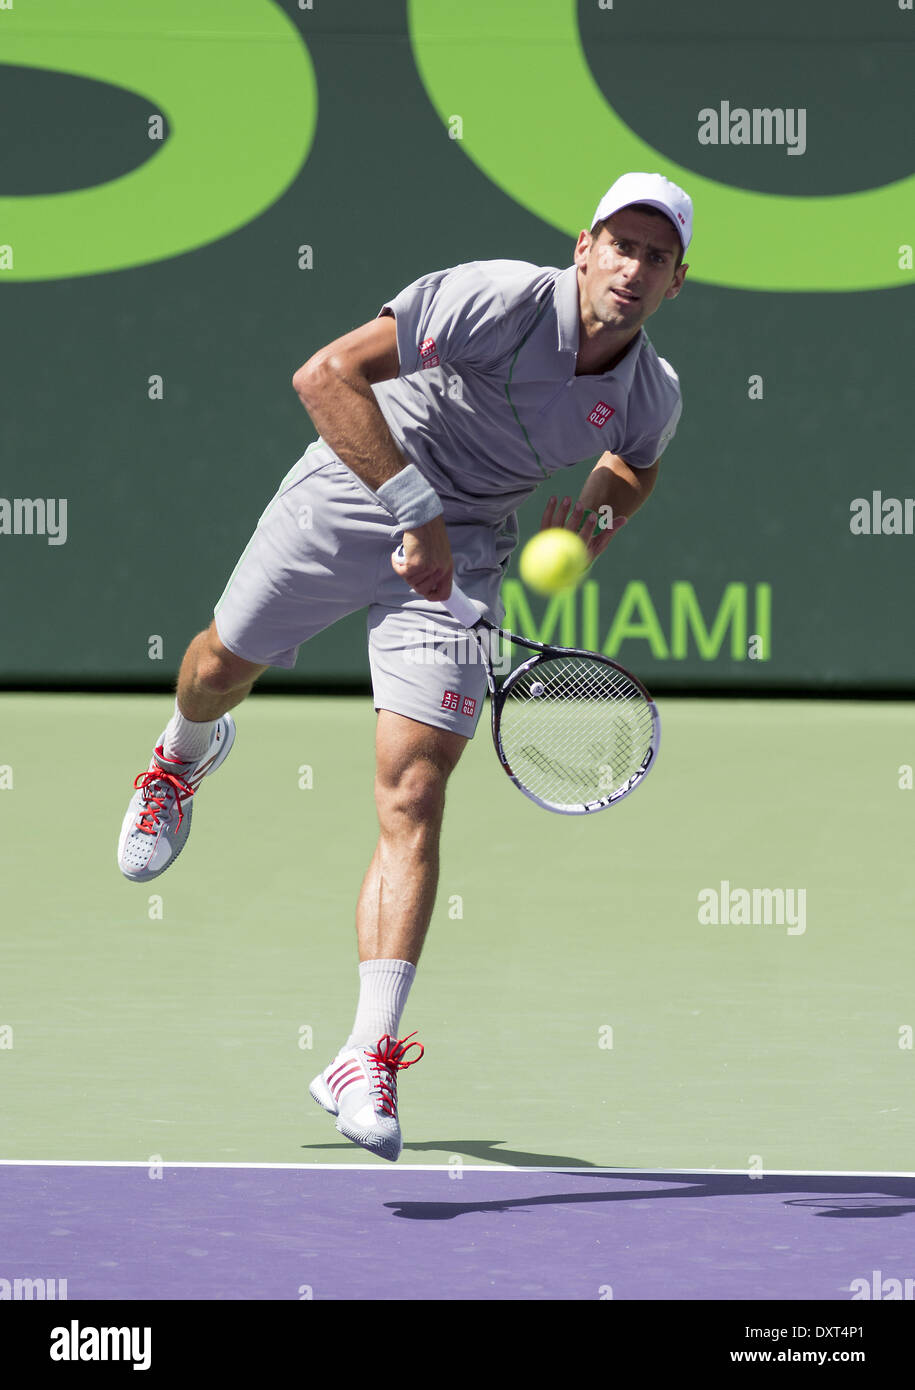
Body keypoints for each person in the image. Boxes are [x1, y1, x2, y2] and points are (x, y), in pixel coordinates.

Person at [117, 171, 692, 1162]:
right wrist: (413, 509)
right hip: (352, 492)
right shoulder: (495, 297)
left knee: (416, 789)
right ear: (584, 247)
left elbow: (634, 464)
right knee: (215, 665)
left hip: (466, 553)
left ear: (677, 282)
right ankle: (181, 755)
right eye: (622, 245)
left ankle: (363, 1053)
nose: (634, 268)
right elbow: (325, 375)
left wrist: (589, 524)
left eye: (657, 256)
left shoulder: (652, 393)